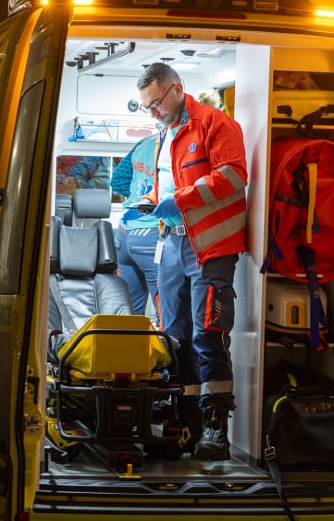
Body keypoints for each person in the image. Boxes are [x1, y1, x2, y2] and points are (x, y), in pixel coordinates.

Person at [122, 62, 248, 461]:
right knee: (173, 337)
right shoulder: (164, 134)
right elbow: (170, 187)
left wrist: (179, 200)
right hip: (171, 244)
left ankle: (216, 430)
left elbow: (234, 177)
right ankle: (185, 425)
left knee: (207, 333)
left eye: (155, 103)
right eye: (145, 107)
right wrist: (153, 204)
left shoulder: (214, 124)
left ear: (177, 89)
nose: (152, 112)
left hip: (208, 248)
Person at [110, 137, 160, 321]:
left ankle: (128, 349)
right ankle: (168, 350)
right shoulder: (176, 143)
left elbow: (118, 179)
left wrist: (136, 199)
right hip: (151, 234)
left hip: (124, 233)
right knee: (166, 312)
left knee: (129, 314)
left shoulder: (143, 143)